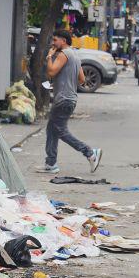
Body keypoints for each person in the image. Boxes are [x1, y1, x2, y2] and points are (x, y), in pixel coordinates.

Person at [43, 29, 103, 173]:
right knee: (52, 130)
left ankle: (89, 152)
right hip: (69, 98)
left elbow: (51, 71)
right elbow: (82, 79)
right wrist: (66, 80)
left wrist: (49, 57)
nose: (53, 43)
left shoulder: (63, 54)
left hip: (63, 99)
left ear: (63, 41)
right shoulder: (75, 55)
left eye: (55, 40)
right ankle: (50, 163)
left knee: (60, 131)